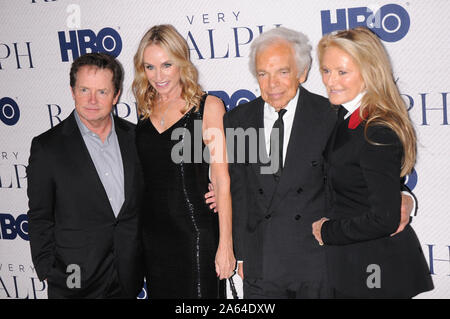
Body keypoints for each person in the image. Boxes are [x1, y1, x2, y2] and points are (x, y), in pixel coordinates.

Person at [223, 27, 416, 299]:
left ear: (302, 72)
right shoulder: (238, 120)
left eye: (283, 72)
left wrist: (403, 196)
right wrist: (241, 255)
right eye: (263, 74)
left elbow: (363, 176)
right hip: (262, 265)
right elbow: (240, 191)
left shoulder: (332, 114)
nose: (272, 84)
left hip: (317, 263)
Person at [312, 27, 434, 298]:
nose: (331, 81)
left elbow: (384, 219)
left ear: (369, 72)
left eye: (342, 72)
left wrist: (326, 230)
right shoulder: (344, 117)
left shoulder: (376, 129)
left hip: (374, 267)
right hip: (354, 262)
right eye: (326, 70)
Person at [27, 53, 144, 298]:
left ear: (116, 95)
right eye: (84, 90)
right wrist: (48, 269)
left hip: (126, 276)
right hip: (73, 279)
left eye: (102, 91)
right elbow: (40, 216)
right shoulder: (47, 147)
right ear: (72, 91)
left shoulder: (136, 138)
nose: (92, 100)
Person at [132, 24, 235, 299]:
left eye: (166, 64)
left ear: (181, 62)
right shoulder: (143, 109)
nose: (158, 75)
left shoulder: (208, 107)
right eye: (150, 67)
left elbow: (222, 179)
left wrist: (226, 244)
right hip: (153, 239)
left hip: (195, 234)